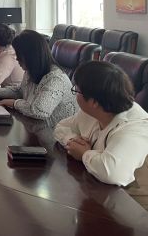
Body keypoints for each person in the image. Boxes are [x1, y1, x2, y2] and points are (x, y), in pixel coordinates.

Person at [54, 61, 148, 210]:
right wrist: (72, 141)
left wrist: (84, 153)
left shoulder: (136, 127)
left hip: (133, 208)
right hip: (100, 192)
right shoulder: (95, 110)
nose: (75, 94)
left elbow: (112, 172)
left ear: (94, 102)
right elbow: (61, 127)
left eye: (77, 90)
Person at [0, 29, 77, 122]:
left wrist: (14, 103)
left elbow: (39, 111)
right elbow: (20, 91)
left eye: (19, 55)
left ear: (30, 56)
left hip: (58, 130)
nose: (17, 59)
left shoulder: (56, 78)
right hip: (37, 126)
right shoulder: (31, 71)